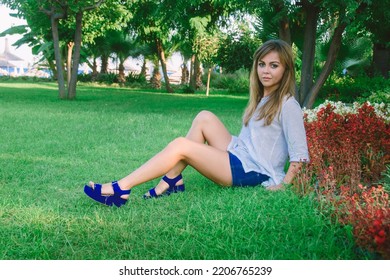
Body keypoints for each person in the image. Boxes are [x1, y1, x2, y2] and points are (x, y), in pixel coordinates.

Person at [84, 39, 309, 207]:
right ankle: (172, 180)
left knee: (182, 146)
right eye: (262, 64)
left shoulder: (288, 105)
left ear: (286, 70)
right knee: (204, 116)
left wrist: (284, 185)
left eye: (273, 65)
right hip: (242, 153)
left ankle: (121, 189)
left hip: (254, 170)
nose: (266, 71)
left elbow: (299, 155)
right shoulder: (263, 98)